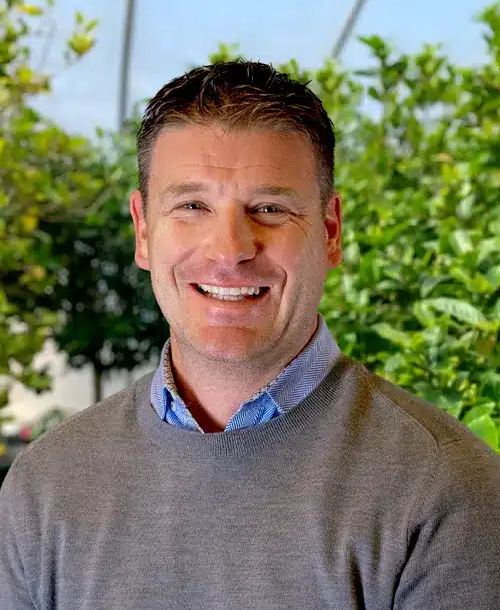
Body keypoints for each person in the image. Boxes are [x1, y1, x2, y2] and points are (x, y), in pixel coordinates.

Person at [0, 61, 499, 610]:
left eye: (269, 208)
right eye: (192, 206)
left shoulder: (447, 489)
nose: (230, 249)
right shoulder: (45, 486)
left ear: (330, 233)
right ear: (144, 232)